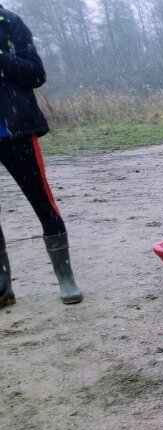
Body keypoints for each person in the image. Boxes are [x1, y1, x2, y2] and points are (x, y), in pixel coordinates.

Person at [0, 4, 83, 307]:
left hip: (18, 131)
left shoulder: (11, 23)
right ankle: (3, 287)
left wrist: (1, 60)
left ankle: (66, 279)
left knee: (43, 204)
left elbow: (36, 74)